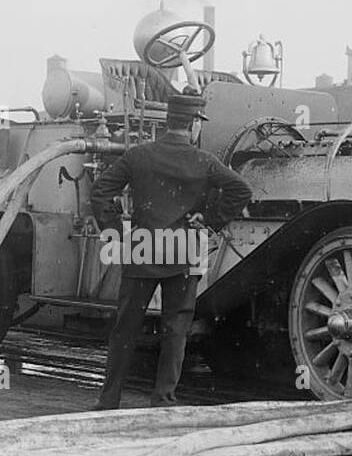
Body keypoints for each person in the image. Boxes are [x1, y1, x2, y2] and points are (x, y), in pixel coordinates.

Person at [90, 93, 252, 409]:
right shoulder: (204, 161)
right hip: (184, 251)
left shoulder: (138, 156)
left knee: (125, 327)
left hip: (142, 249)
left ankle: (108, 400)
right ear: (193, 124)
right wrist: (210, 222)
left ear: (167, 122)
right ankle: (163, 399)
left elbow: (100, 192)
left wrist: (114, 235)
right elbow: (241, 190)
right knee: (176, 328)